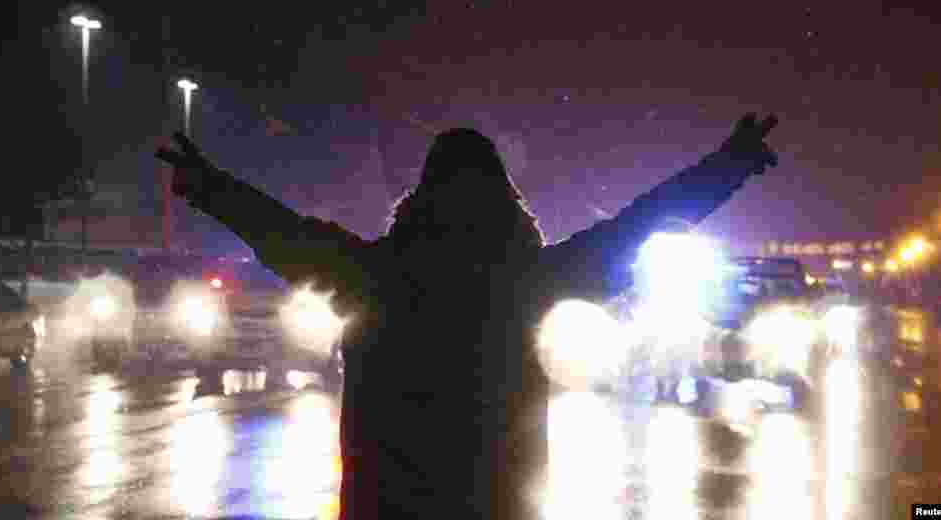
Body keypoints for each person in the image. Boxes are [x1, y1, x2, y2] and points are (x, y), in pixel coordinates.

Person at [157, 112, 778, 519]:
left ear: (421, 197)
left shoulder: (373, 276)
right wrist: (730, 165)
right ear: (506, 200)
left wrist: (208, 185)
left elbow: (283, 233)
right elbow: (638, 227)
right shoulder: (531, 282)